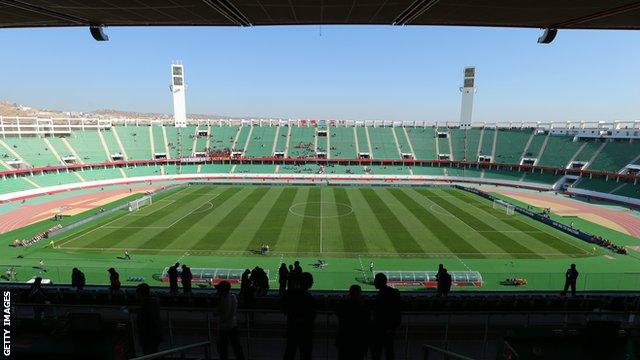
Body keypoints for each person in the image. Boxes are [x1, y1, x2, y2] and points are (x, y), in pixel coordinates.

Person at [281, 272, 316, 360]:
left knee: (289, 353)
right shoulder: (309, 298)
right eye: (311, 281)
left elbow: (283, 307)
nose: (312, 283)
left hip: (292, 330)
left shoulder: (291, 295)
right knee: (305, 355)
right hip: (306, 333)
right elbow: (312, 316)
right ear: (308, 283)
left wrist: (293, 317)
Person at [371, 273, 402, 360]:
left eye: (375, 281)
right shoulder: (393, 293)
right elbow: (397, 312)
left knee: (378, 353)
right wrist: (393, 327)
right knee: (389, 351)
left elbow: (394, 311)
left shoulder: (384, 294)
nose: (374, 282)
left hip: (381, 329)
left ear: (380, 282)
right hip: (387, 328)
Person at [335, 285, 370, 360]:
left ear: (350, 293)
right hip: (359, 341)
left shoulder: (344, 306)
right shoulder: (363, 308)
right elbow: (367, 323)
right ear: (360, 293)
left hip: (344, 340)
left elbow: (337, 311)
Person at [215, 281, 245, 360]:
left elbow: (223, 314)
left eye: (219, 290)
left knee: (223, 350)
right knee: (236, 347)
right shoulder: (233, 297)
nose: (217, 291)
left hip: (224, 328)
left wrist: (217, 310)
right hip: (233, 326)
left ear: (223, 290)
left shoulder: (224, 300)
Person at [136, 283, 163, 355]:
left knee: (149, 353)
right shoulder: (153, 303)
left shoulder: (146, 305)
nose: (136, 295)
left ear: (141, 293)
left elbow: (145, 322)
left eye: (137, 293)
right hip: (153, 336)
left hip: (149, 338)